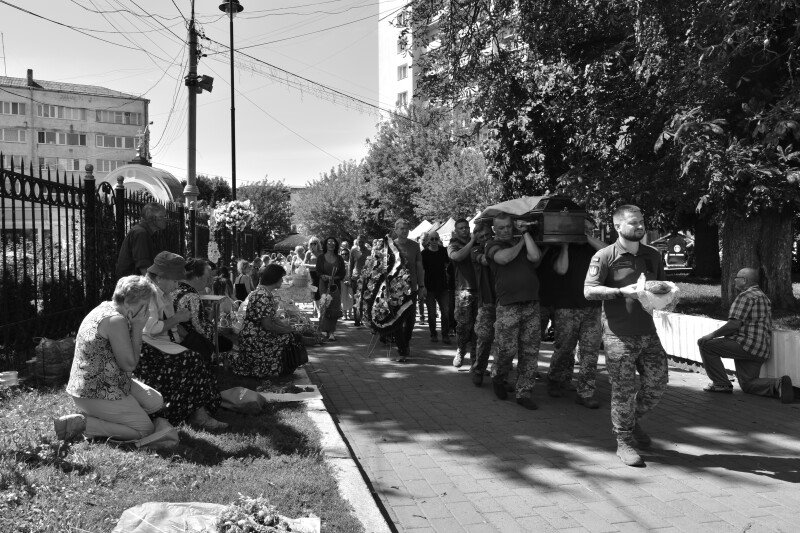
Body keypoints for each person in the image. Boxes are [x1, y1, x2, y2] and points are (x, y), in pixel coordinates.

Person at [584, 204, 668, 467]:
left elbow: (661, 287)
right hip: (618, 335)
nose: (640, 226)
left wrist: (668, 296)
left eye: (642, 221)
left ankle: (631, 419)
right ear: (618, 226)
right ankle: (624, 441)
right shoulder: (604, 256)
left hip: (648, 332)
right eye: (634, 222)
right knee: (623, 390)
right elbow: (589, 290)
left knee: (657, 384)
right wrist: (621, 292)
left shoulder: (653, 255)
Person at [57, 276, 163, 442]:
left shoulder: (107, 306)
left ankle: (106, 416)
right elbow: (129, 365)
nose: (147, 312)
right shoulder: (116, 321)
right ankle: (84, 424)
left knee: (155, 402)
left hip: (101, 382)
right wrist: (138, 328)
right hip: (95, 391)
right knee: (145, 430)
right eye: (144, 306)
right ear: (127, 302)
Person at [137, 252, 226, 430]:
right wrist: (178, 318)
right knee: (192, 359)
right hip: (147, 349)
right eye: (175, 281)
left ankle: (199, 409)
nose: (177, 285)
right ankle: (198, 415)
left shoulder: (161, 292)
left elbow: (171, 327)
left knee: (197, 356)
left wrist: (182, 332)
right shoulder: (148, 293)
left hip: (161, 344)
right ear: (160, 277)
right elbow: (151, 329)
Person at [698, 268, 794, 402]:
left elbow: (734, 325)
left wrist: (711, 335)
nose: (734, 281)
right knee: (748, 384)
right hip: (761, 349)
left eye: (737, 278)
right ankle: (778, 384)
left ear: (744, 280)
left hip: (744, 344)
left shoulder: (745, 296)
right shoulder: (763, 297)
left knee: (706, 345)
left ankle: (721, 384)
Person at [545, 217, 606, 407]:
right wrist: (565, 245)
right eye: (583, 228)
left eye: (589, 229)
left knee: (590, 352)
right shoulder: (561, 247)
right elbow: (561, 269)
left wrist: (586, 237)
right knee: (564, 348)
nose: (586, 231)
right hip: (567, 307)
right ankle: (556, 379)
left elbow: (610, 251)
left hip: (592, 308)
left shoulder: (595, 248)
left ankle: (585, 392)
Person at [486, 213, 543, 410]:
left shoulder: (523, 241)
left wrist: (525, 233)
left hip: (531, 303)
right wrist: (520, 243)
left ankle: (523, 392)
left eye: (508, 227)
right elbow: (504, 259)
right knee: (506, 349)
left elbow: (535, 257)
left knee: (530, 350)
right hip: (508, 305)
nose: (505, 231)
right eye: (500, 228)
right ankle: (498, 376)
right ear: (494, 229)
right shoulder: (492, 245)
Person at [230, 264, 308, 378]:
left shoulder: (263, 292)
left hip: (255, 334)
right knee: (290, 338)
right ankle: (279, 368)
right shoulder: (263, 296)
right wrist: (287, 330)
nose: (282, 281)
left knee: (292, 334)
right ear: (274, 278)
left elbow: (272, 319)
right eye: (281, 278)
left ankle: (283, 367)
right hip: (255, 338)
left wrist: (287, 327)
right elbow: (268, 325)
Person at [174, 258, 233, 358]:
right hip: (191, 342)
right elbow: (202, 331)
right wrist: (212, 316)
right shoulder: (192, 296)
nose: (210, 282)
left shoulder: (176, 289)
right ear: (197, 277)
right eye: (207, 278)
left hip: (179, 337)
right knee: (227, 343)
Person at [392, 218, 426, 362]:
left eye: (406, 228)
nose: (404, 231)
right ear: (396, 230)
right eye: (401, 228)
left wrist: (421, 286)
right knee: (398, 320)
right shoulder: (391, 245)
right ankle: (402, 349)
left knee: (410, 320)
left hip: (411, 288)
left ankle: (405, 343)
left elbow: (419, 266)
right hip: (394, 289)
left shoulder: (415, 245)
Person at [448, 218, 479, 367]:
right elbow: (457, 257)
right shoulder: (453, 244)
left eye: (466, 227)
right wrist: (472, 242)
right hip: (463, 290)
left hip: (480, 289)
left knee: (478, 327)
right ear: (456, 231)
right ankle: (461, 350)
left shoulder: (478, 243)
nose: (465, 230)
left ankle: (475, 360)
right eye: (461, 228)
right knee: (463, 326)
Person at [469, 222, 496, 387]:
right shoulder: (475, 250)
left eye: (488, 235)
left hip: (504, 301)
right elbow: (485, 260)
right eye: (482, 237)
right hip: (486, 302)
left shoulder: (499, 246)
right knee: (484, 338)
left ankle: (500, 376)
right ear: (477, 239)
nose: (486, 238)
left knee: (504, 341)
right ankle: (479, 369)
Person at [115, 203, 167, 279]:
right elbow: (144, 267)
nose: (165, 219)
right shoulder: (141, 233)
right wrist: (155, 285)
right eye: (162, 216)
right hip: (133, 283)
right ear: (152, 219)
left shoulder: (145, 233)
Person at [421, 230, 451, 344]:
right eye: (432, 239)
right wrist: (423, 286)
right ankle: (433, 334)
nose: (434, 241)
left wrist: (447, 277)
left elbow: (447, 265)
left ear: (439, 239)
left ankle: (445, 334)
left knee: (445, 312)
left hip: (443, 286)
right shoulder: (424, 253)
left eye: (436, 239)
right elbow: (422, 271)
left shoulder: (443, 251)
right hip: (429, 287)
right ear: (428, 240)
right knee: (432, 313)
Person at [317, 236, 347, 340]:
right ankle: (323, 330)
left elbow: (342, 273)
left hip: (335, 285)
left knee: (334, 307)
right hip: (324, 284)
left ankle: (331, 331)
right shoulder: (321, 257)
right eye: (329, 242)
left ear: (336, 245)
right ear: (325, 245)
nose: (331, 244)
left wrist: (333, 278)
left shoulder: (339, 258)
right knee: (325, 305)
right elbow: (318, 271)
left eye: (333, 243)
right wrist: (323, 276)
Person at [350, 237, 368, 325]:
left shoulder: (369, 251)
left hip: (366, 278)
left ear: (365, 241)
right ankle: (357, 319)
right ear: (357, 241)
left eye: (362, 241)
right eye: (359, 241)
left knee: (365, 298)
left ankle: (364, 318)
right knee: (356, 298)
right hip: (355, 277)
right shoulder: (353, 251)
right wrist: (349, 277)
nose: (361, 242)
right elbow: (351, 264)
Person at [304, 237, 323, 316]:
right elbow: (304, 264)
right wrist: (313, 266)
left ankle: (316, 310)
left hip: (322, 274)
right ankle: (318, 311)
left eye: (314, 243)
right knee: (315, 292)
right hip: (312, 274)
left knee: (321, 291)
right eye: (311, 244)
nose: (312, 245)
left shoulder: (322, 252)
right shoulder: (308, 253)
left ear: (318, 244)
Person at [339, 241, 354, 320]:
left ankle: (350, 314)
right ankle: (344, 314)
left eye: (346, 254)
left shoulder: (351, 262)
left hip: (350, 281)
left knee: (351, 297)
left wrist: (350, 280)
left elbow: (354, 272)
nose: (344, 255)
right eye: (343, 254)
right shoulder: (339, 262)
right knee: (343, 298)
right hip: (342, 281)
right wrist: (343, 280)